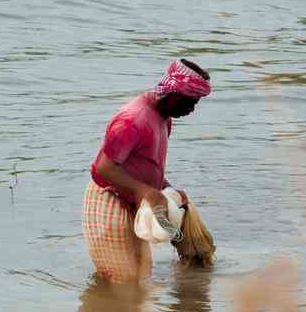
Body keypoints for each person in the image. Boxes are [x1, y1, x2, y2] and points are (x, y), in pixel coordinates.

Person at [83, 59, 211, 283]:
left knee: (141, 275)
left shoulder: (163, 118)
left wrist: (167, 189)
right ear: (173, 95)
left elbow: (144, 164)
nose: (191, 110)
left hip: (135, 199)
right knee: (123, 280)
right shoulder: (133, 120)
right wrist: (148, 191)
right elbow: (105, 168)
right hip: (109, 198)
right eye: (190, 103)